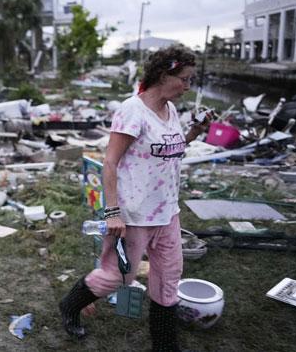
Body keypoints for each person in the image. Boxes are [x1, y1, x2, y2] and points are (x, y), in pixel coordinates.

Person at [59, 46, 212, 351]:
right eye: (183, 79)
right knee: (116, 276)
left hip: (168, 212)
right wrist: (112, 213)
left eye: (189, 80)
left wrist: (195, 131)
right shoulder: (132, 111)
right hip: (134, 217)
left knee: (169, 278)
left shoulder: (169, 110)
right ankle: (69, 306)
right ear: (163, 74)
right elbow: (110, 163)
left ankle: (165, 346)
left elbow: (172, 149)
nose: (187, 86)